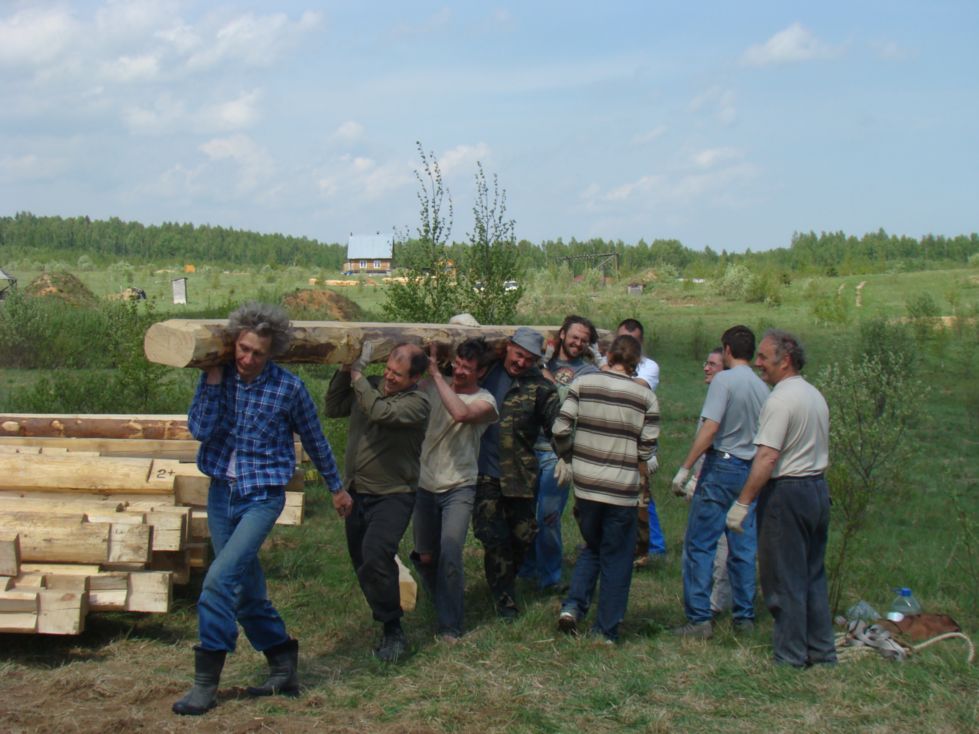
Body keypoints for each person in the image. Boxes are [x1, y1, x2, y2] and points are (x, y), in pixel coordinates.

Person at [174, 302, 348, 716]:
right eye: (244, 349)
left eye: (258, 353)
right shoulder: (217, 376)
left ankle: (205, 685)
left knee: (218, 580)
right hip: (221, 493)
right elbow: (201, 430)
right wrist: (213, 383)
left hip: (262, 497)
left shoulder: (289, 388)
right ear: (234, 343)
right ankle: (282, 662)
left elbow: (316, 439)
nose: (248, 359)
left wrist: (337, 488)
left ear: (272, 354)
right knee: (246, 590)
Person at [727, 329, 836, 667]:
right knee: (812, 575)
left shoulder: (779, 400)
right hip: (817, 489)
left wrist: (743, 502)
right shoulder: (813, 394)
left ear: (784, 360)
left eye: (763, 357)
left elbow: (767, 458)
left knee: (783, 579)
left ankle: (790, 656)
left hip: (788, 492)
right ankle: (821, 651)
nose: (758, 363)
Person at [324, 341, 431, 662]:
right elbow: (333, 407)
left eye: (397, 374)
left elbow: (380, 411)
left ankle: (392, 628)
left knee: (376, 553)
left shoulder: (417, 403)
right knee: (363, 564)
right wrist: (345, 371)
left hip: (394, 494)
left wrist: (358, 376)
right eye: (386, 369)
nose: (388, 377)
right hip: (357, 492)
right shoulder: (369, 386)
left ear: (415, 378)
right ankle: (386, 614)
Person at [554, 334, 660, 642]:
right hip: (622, 489)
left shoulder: (583, 385)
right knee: (617, 556)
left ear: (608, 354)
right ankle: (606, 630)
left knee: (593, 544)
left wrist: (569, 456)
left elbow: (560, 428)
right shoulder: (646, 398)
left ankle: (573, 606)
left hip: (586, 485)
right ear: (637, 363)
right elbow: (646, 449)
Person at [671, 325, 769, 638]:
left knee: (700, 544)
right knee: (742, 544)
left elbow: (711, 428)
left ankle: (699, 619)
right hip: (750, 470)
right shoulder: (762, 388)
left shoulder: (724, 381)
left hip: (721, 466)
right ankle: (744, 616)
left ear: (727, 350)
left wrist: (686, 468)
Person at [412, 339, 498, 642]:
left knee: (450, 550)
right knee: (425, 557)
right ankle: (440, 603)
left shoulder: (487, 402)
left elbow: (461, 413)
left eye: (468, 368)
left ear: (482, 371)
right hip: (424, 482)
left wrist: (437, 375)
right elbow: (406, 389)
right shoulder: (436, 384)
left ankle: (451, 625)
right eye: (458, 363)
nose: (460, 371)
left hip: (459, 485)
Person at [474, 326, 561, 619]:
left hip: (521, 475)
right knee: (493, 536)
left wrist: (569, 458)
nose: (521, 363)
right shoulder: (486, 371)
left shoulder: (540, 387)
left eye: (529, 359)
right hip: (484, 471)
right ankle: (504, 598)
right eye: (518, 355)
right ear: (508, 347)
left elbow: (557, 427)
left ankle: (505, 581)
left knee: (523, 536)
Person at [521, 314, 599, 593]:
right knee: (525, 515)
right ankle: (527, 571)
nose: (578, 343)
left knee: (549, 517)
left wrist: (543, 369)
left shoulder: (588, 372)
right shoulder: (538, 359)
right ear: (563, 334)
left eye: (584, 340)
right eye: (574, 336)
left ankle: (551, 578)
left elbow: (559, 398)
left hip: (559, 453)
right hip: (529, 448)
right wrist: (542, 361)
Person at [612, 318, 666, 567]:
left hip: (637, 438)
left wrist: (609, 374)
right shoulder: (606, 361)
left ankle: (654, 545)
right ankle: (619, 543)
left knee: (642, 494)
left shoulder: (649, 366)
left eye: (633, 341)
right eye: (623, 340)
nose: (627, 347)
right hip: (612, 436)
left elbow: (638, 388)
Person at [683, 348, 732, 616]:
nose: (706, 368)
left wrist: (691, 475)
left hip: (719, 478)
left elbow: (711, 440)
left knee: (720, 543)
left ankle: (716, 602)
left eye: (712, 364)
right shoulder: (713, 396)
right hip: (708, 477)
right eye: (706, 362)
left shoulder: (724, 398)